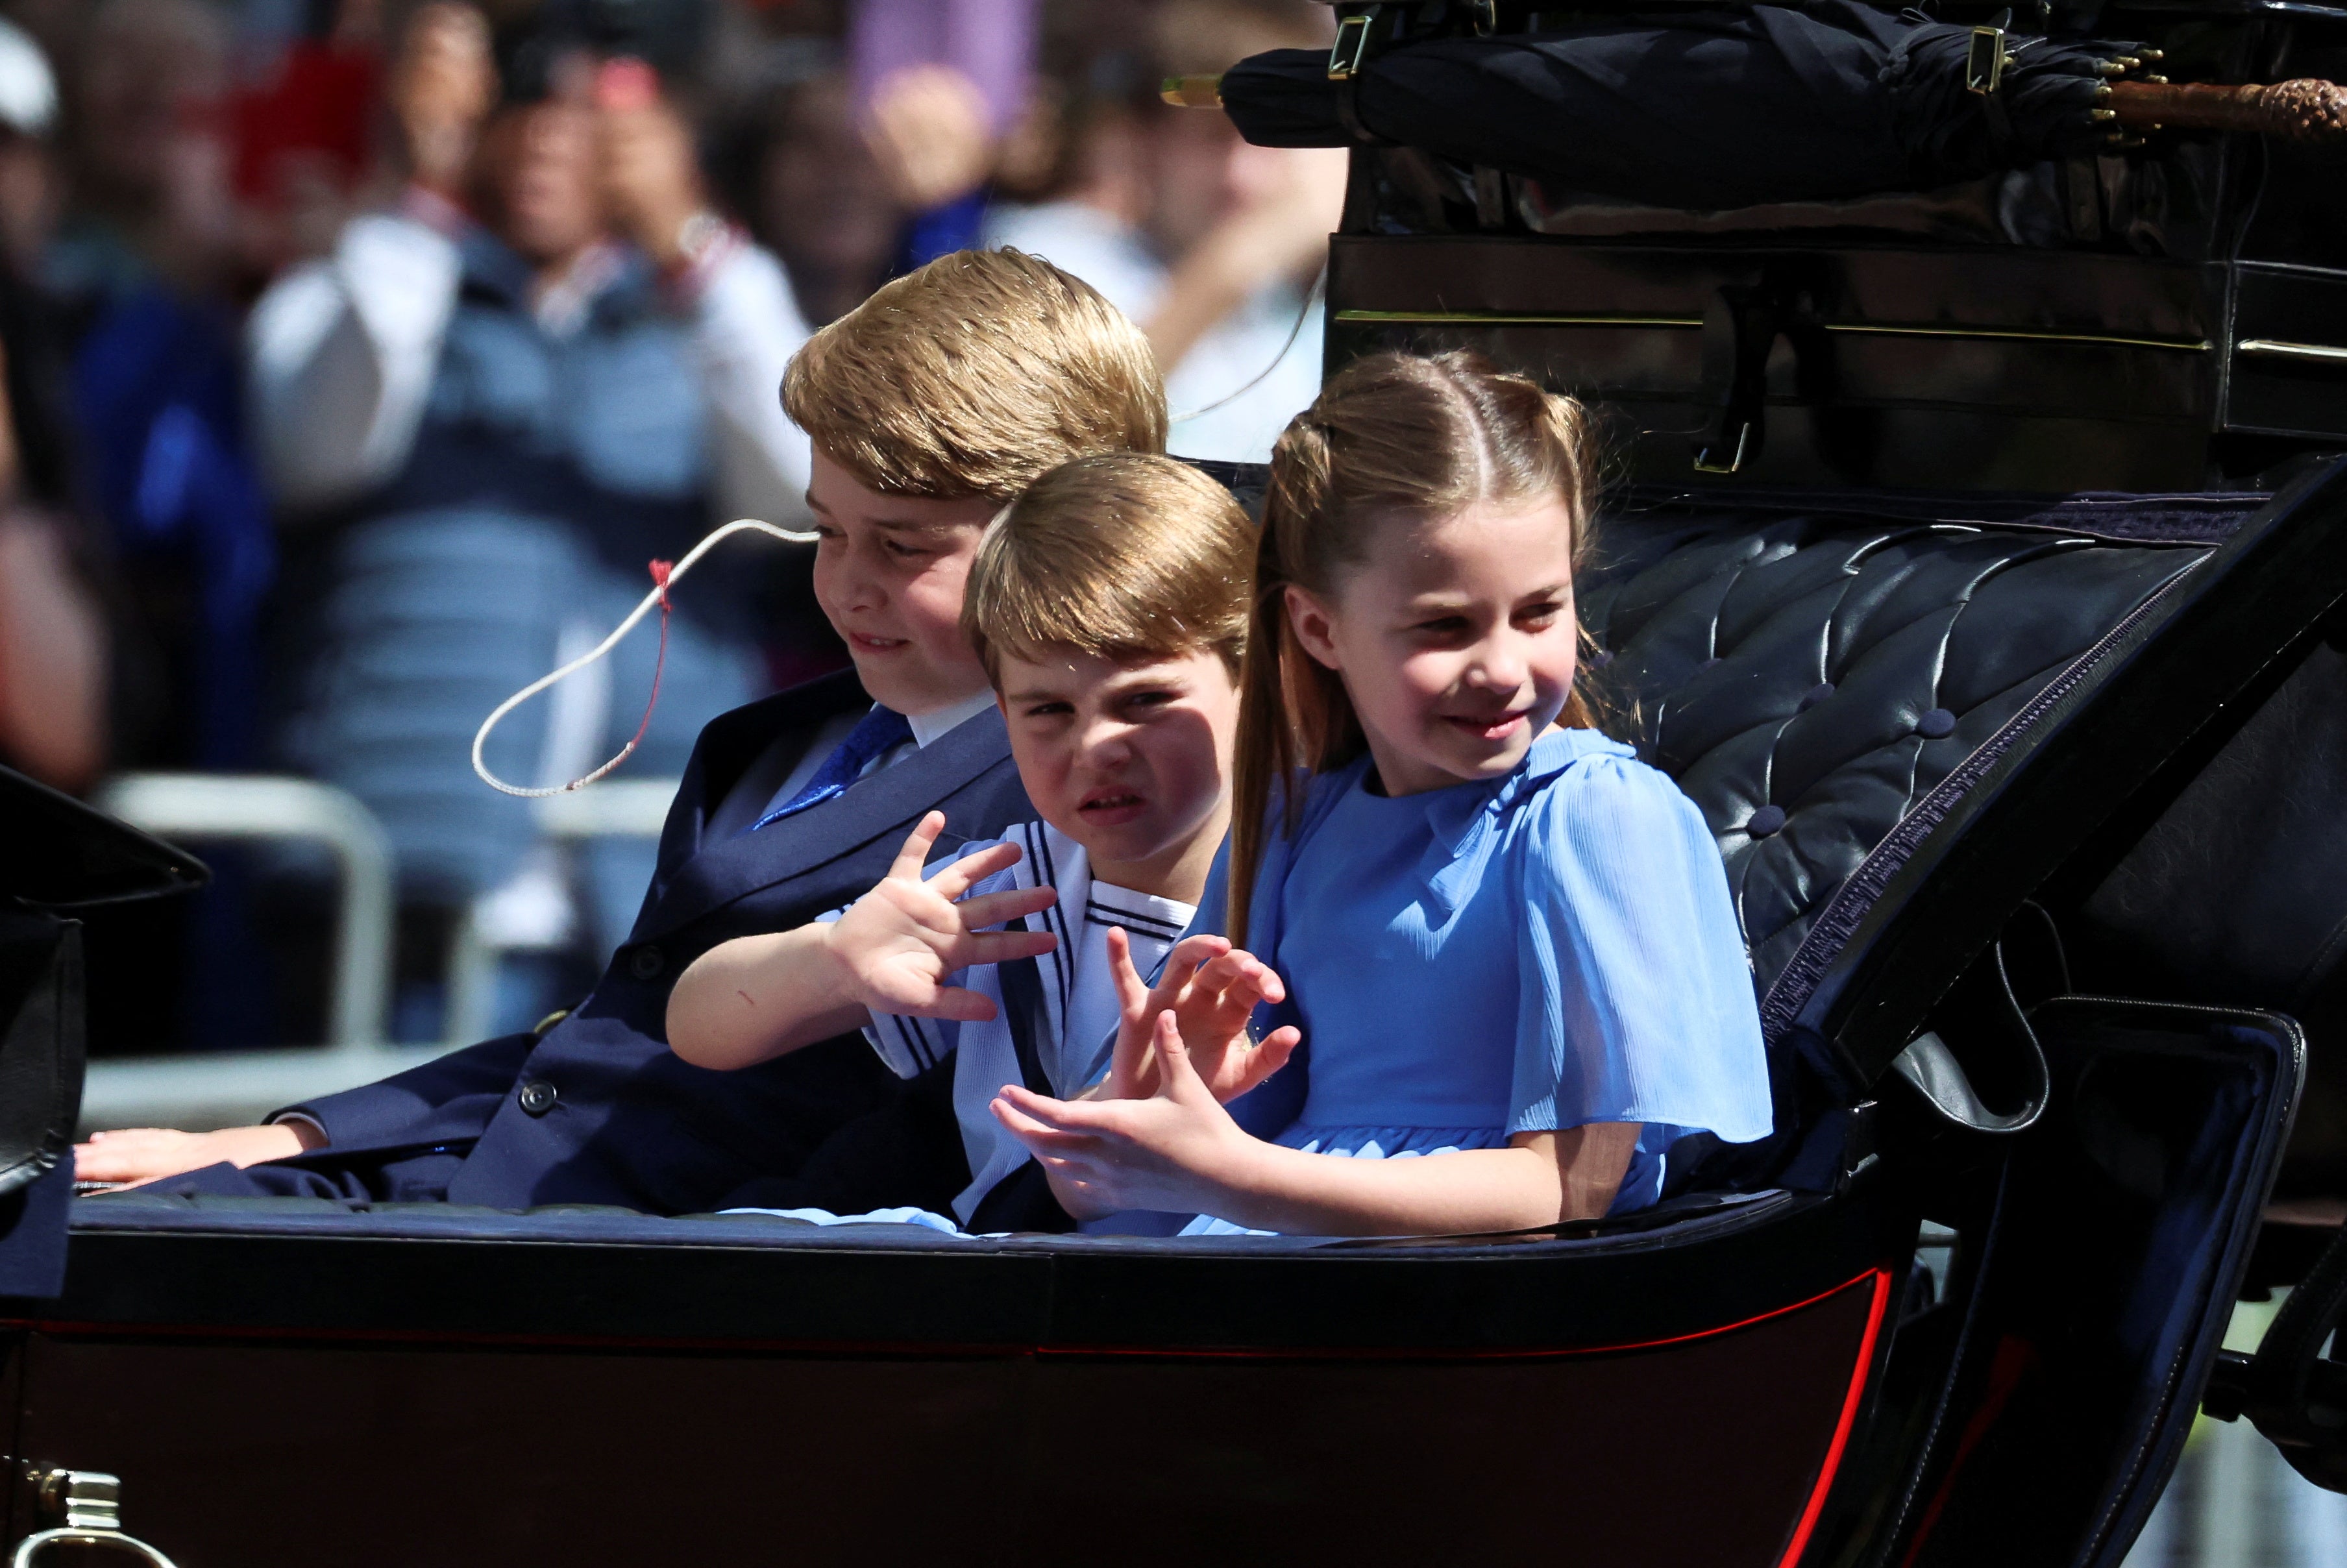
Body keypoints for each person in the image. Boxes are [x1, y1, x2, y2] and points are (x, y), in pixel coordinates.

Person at [75, 245, 1171, 1213]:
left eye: (902, 544)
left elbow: (906, 1161)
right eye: (828, 531)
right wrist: (291, 1143)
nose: (845, 584)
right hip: (485, 1207)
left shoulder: (1064, 804)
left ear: (1077, 534)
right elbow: (601, 1046)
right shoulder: (785, 746)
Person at [991, 350, 1775, 1236]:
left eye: (1539, 612)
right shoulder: (1298, 824)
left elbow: (1568, 1192)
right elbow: (1109, 1188)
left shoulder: (1595, 816)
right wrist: (1148, 1103)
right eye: (1445, 625)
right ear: (1320, 628)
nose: (1502, 668)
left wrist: (1238, 1177)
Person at [245, 2, 814, 993]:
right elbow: (312, 449)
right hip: (405, 895)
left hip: (645, 893)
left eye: (589, 110)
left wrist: (689, 237)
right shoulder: (378, 275)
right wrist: (423, 190)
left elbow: (807, 481)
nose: (551, 137)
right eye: (519, 103)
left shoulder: (695, 315)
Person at [667, 452, 1296, 1232]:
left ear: (1260, 680)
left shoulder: (1304, 883)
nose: (1096, 744)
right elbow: (698, 1024)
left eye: (1144, 700)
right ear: (1000, 711)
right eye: (1048, 712)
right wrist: (833, 963)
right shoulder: (1007, 890)